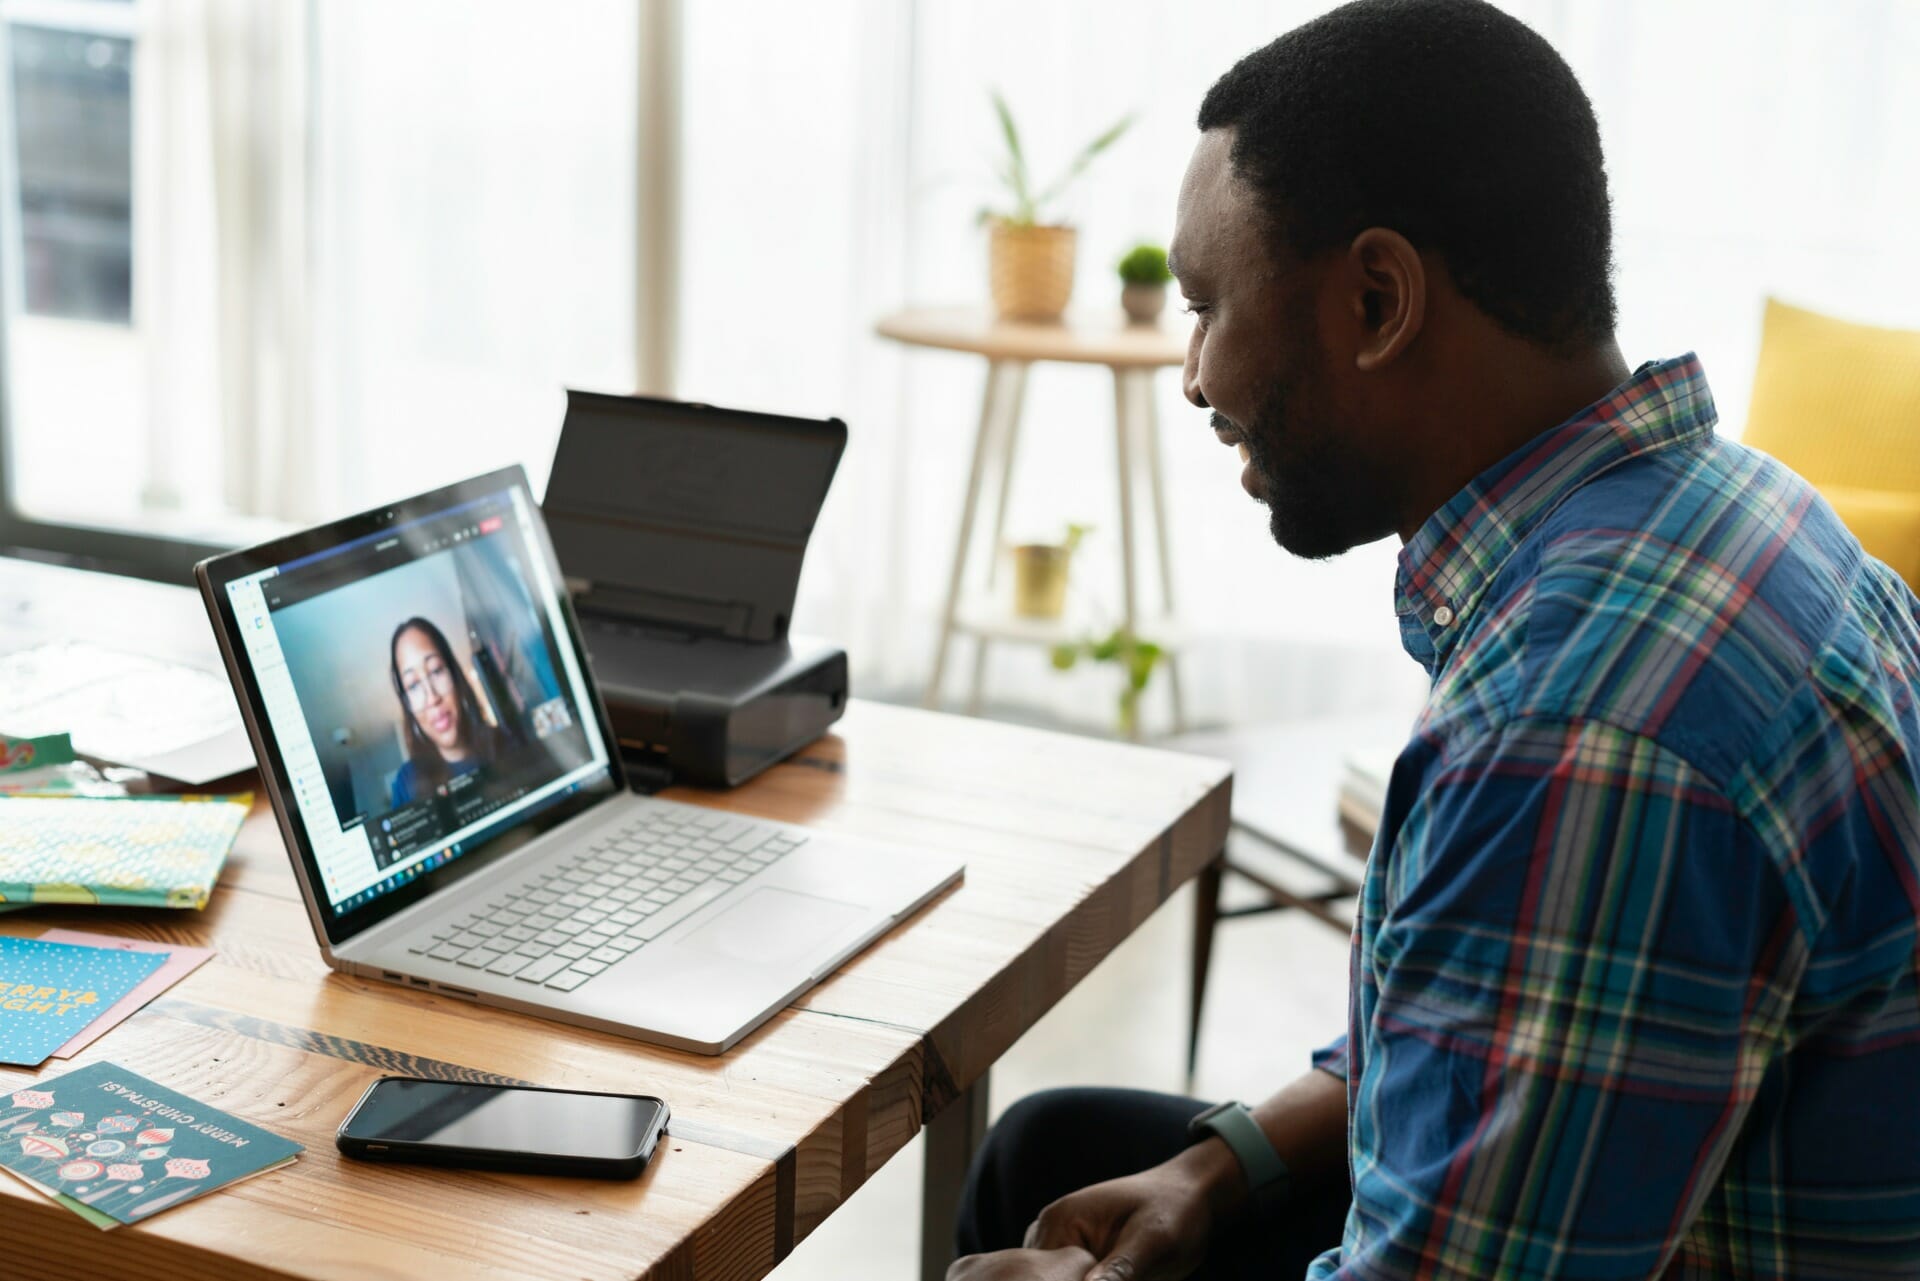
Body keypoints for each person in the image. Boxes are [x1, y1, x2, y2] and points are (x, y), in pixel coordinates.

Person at [948, 2, 1920, 1279]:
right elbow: (1493, 1024)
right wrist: (1218, 1164)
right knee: (1053, 1150)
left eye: (1208, 306)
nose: (1193, 375)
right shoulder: (1733, 512)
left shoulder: (1577, 730)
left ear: (1377, 300)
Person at [387, 616, 510, 808]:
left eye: (436, 671)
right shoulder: (406, 783)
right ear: (408, 705)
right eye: (413, 685)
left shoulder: (505, 742)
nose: (432, 698)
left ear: (454, 674)